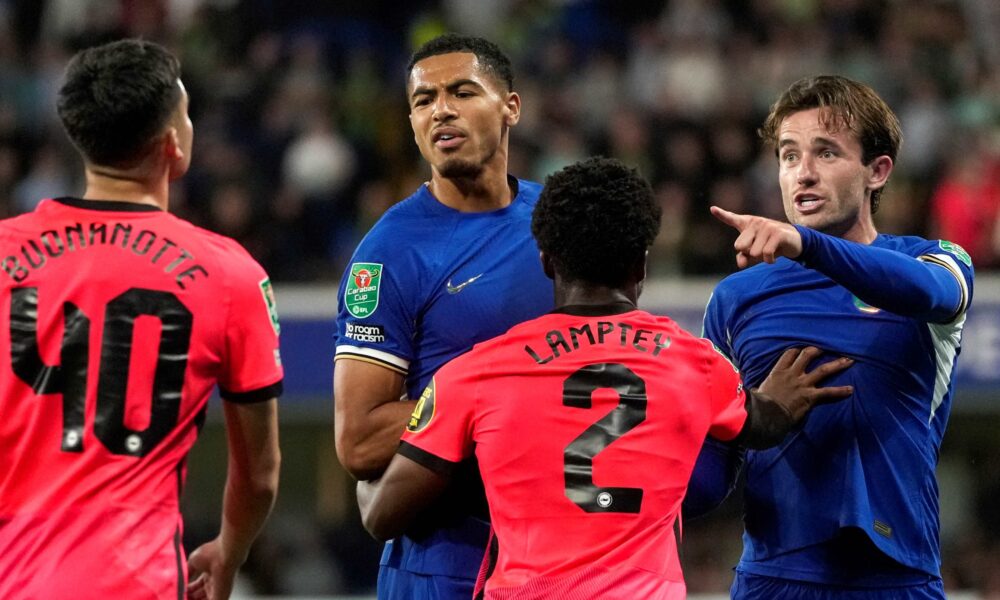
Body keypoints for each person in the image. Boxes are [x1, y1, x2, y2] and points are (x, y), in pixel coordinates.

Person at [356, 156, 855, 599]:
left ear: (546, 261)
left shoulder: (474, 373)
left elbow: (381, 516)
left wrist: (444, 463)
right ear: (641, 265)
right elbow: (761, 423)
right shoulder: (693, 361)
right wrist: (784, 397)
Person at [0, 39, 282, 599]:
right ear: (174, 142)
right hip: (135, 582)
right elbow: (259, 475)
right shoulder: (230, 275)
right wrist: (229, 551)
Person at [687, 75, 975, 599]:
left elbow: (934, 293)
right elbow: (709, 477)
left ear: (877, 171)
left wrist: (807, 245)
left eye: (826, 153)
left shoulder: (932, 260)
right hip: (773, 581)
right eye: (789, 155)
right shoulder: (734, 298)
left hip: (898, 580)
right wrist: (752, 419)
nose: (803, 173)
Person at [332, 34, 553, 599]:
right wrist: (499, 399)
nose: (442, 110)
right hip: (444, 561)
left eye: (462, 92)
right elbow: (359, 439)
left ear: (511, 107)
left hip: (561, 554)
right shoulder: (388, 253)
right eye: (424, 100)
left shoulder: (560, 221)